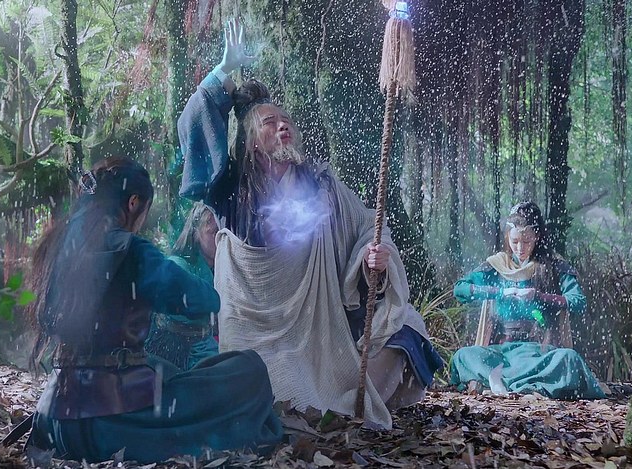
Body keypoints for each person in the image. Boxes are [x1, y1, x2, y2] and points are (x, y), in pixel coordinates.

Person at [178, 19, 443, 428]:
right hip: (259, 345)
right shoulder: (231, 189)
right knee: (248, 387)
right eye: (270, 122)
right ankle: (303, 405)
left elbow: (369, 225)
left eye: (286, 120)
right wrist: (223, 72)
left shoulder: (322, 186)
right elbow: (194, 127)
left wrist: (372, 258)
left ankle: (344, 404)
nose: (283, 125)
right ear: (251, 142)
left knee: (405, 324)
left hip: (320, 339)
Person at [25, 157, 282, 463]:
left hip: (55, 421)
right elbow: (201, 299)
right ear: (133, 203)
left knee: (162, 366)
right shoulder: (130, 249)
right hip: (108, 425)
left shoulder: (55, 246)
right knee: (249, 368)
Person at [449, 201, 605, 399]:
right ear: (508, 236)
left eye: (527, 241)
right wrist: (499, 292)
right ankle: (529, 385)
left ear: (537, 237)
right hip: (502, 354)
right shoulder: (497, 265)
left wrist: (539, 296)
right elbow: (460, 289)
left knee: (569, 359)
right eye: (515, 241)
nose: (520, 248)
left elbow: (578, 301)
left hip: (540, 352)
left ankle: (500, 383)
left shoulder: (552, 266)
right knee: (463, 356)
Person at [145, 202, 219, 370]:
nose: (219, 239)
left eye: (223, 232)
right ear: (196, 233)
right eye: (214, 232)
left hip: (202, 348)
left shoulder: (217, 268)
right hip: (176, 353)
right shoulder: (179, 265)